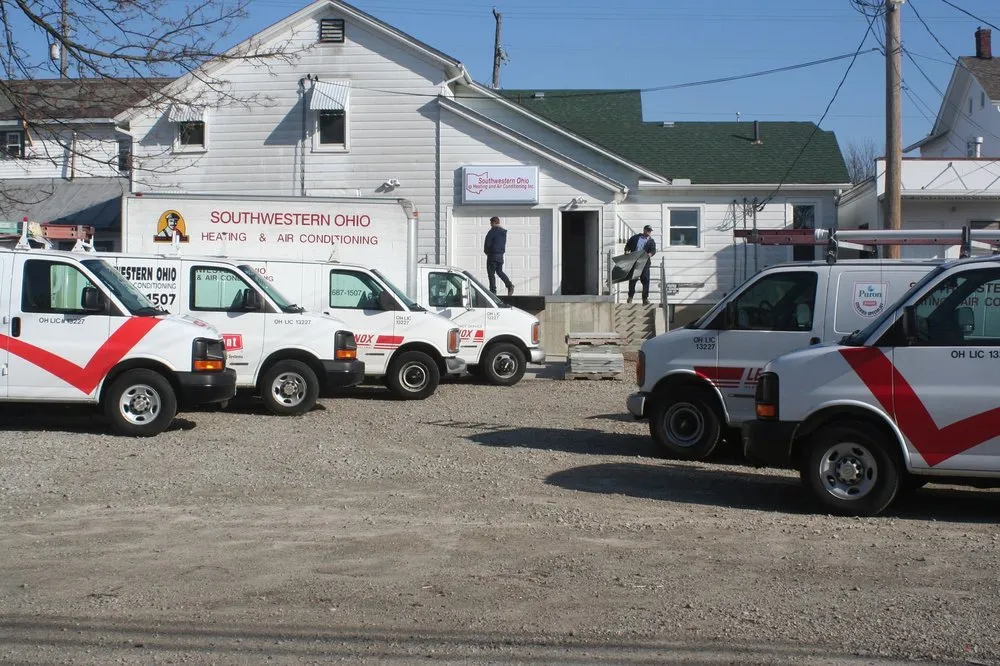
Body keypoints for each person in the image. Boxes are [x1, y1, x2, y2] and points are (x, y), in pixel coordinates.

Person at [624, 224, 657, 304]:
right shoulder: (635, 238)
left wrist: (649, 254)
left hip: (645, 262)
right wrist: (627, 251)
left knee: (645, 280)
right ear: (644, 230)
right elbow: (628, 245)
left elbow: (653, 250)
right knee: (633, 280)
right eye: (648, 230)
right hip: (634, 261)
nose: (649, 232)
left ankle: (645, 299)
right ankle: (630, 297)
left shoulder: (651, 241)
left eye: (650, 231)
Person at [483, 216, 514, 296]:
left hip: (492, 255)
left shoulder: (492, 231)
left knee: (491, 274)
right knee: (499, 272)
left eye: (491, 223)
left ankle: (493, 292)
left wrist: (486, 252)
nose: (490, 225)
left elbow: (487, 243)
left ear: (493, 222)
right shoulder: (503, 232)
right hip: (500, 256)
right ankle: (509, 285)